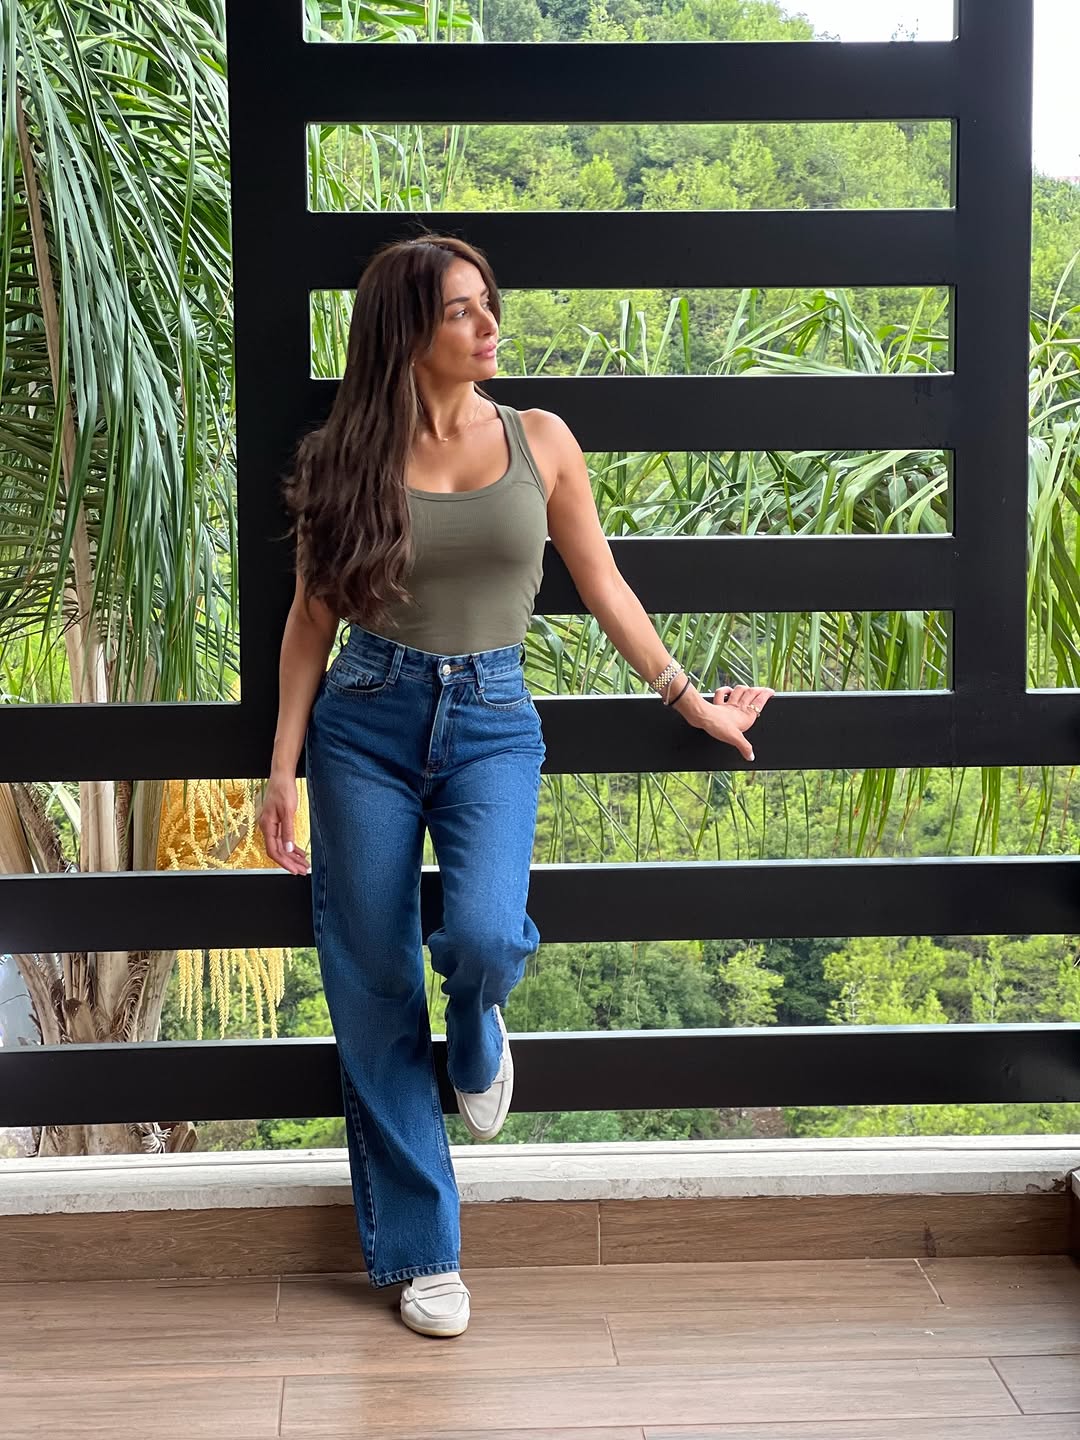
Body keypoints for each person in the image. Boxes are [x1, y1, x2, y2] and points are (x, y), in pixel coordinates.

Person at [256, 234, 774, 1339]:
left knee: (487, 934)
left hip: (492, 718)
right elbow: (309, 620)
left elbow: (604, 580)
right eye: (462, 311)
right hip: (365, 719)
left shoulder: (541, 439)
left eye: (488, 304)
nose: (489, 325)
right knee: (373, 978)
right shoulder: (347, 455)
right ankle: (424, 1253)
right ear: (407, 331)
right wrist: (281, 769)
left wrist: (688, 698)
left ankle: (478, 1022)